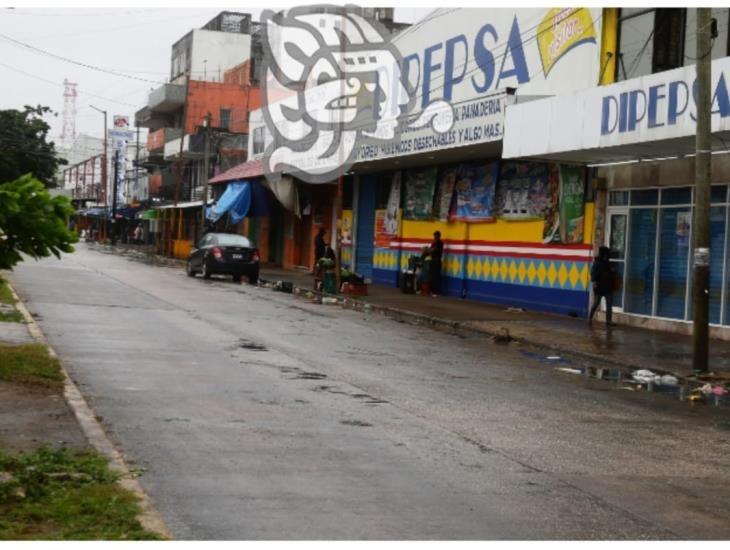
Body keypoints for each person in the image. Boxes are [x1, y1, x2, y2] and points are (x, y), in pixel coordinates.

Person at [589, 246, 615, 326]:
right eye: (607, 253)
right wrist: (594, 282)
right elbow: (593, 273)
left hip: (607, 286)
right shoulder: (597, 262)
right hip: (599, 286)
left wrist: (612, 271)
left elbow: (610, 272)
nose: (608, 255)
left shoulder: (607, 262)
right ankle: (590, 318)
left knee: (609, 304)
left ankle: (608, 321)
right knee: (596, 303)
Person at [426, 230, 444, 297]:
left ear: (439, 236)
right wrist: (428, 250)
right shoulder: (433, 243)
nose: (435, 237)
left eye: (436, 236)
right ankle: (432, 291)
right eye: (434, 236)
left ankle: (437, 292)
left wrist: (428, 250)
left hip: (437, 261)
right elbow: (429, 251)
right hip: (433, 260)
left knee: (436, 276)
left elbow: (433, 250)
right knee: (432, 276)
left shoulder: (440, 243)